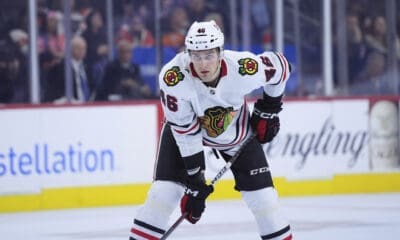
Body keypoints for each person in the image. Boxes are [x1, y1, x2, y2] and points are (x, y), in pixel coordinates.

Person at [129, 20, 293, 240]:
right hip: (184, 133)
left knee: (266, 203)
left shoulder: (243, 67)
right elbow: (186, 133)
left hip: (237, 134)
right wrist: (195, 180)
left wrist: (268, 110)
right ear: (188, 54)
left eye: (208, 55)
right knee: (163, 195)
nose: (203, 64)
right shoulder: (173, 78)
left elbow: (281, 67)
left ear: (220, 53)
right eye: (196, 56)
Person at [44, 36, 93, 103]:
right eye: (78, 48)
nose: (82, 51)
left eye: (84, 48)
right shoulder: (61, 67)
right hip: (71, 106)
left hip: (88, 106)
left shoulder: (87, 66)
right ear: (71, 49)